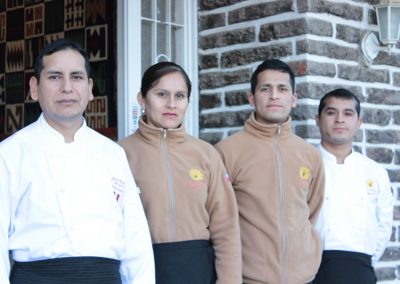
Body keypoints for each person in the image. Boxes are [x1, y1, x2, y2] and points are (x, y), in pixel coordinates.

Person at [0, 39, 155, 284]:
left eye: (76, 77)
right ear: (34, 87)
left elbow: (135, 239)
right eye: (54, 77)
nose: (67, 87)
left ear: (90, 88)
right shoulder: (9, 154)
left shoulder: (112, 153)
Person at [118, 61, 241, 284]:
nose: (171, 104)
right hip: (142, 270)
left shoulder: (206, 154)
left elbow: (226, 228)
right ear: (142, 99)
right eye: (161, 94)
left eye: (180, 96)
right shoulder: (120, 154)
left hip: (198, 270)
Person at [215, 59, 325, 284]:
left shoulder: (310, 155)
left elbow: (311, 212)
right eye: (265, 89)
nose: (274, 95)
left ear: (293, 100)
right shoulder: (225, 152)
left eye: (282, 89)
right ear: (251, 98)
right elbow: (219, 221)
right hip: (249, 278)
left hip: (303, 278)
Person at [313, 88, 393, 284]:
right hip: (311, 269)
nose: (339, 119)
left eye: (348, 113)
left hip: (360, 269)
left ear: (359, 122)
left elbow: (383, 224)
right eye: (331, 113)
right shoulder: (303, 165)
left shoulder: (375, 171)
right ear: (317, 119)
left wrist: (365, 259)